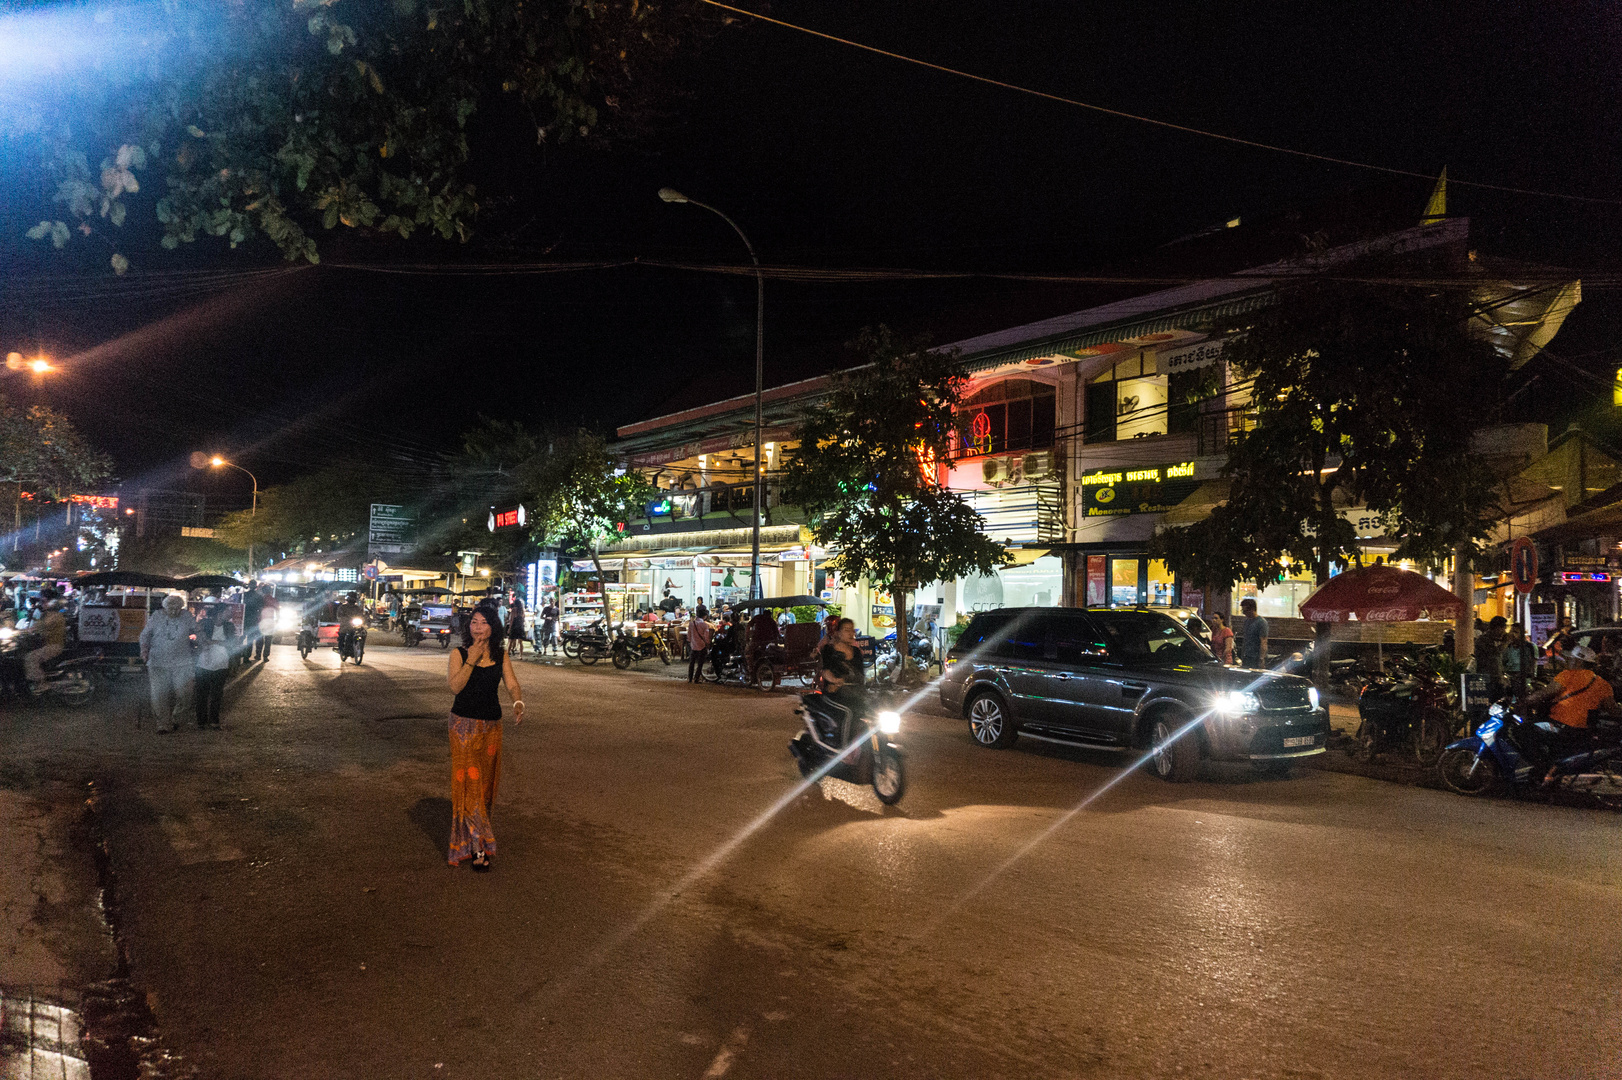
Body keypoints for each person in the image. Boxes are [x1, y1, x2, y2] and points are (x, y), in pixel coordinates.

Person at [445, 603, 525, 871]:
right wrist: (472, 658)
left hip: (491, 727)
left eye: (483, 623)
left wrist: (517, 702)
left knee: (485, 786)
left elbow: (511, 683)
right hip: (463, 726)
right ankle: (478, 846)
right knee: (470, 786)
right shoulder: (458, 653)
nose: (477, 627)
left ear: (493, 628)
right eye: (473, 622)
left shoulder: (501, 655)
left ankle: (474, 837)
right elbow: (455, 686)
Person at [140, 594, 196, 734]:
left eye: (177, 608)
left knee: (185, 693)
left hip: (183, 661)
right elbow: (145, 635)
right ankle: (162, 724)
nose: (174, 611)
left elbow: (197, 631)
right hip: (158, 661)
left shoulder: (187, 616)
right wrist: (144, 650)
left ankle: (177, 717)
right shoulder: (156, 616)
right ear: (164, 608)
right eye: (170, 608)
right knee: (159, 695)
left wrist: (203, 643)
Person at [1522, 643, 1614, 729]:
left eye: (1571, 659)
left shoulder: (1567, 675)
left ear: (1578, 662)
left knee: (1527, 729)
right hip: (1584, 730)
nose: (1568, 661)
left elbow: (1544, 693)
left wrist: (1524, 702)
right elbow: (1611, 709)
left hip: (1560, 724)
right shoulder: (1603, 684)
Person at [819, 618, 867, 745]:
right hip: (835, 695)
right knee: (849, 712)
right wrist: (835, 681)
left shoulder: (856, 652)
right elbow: (826, 671)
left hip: (855, 693)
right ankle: (845, 749)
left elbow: (861, 674)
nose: (851, 633)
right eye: (846, 630)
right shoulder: (829, 650)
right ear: (838, 633)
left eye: (852, 630)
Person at [23, 589, 67, 694]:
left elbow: (41, 626)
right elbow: (36, 626)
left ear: (52, 602)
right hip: (45, 643)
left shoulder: (55, 615)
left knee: (30, 658)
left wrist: (30, 630)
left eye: (44, 601)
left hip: (54, 646)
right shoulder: (47, 614)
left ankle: (42, 684)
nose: (42, 603)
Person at [193, 608, 231, 729]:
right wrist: (217, 642)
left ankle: (214, 720)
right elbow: (200, 640)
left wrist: (213, 642)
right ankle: (201, 721)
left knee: (217, 694)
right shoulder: (204, 624)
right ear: (219, 614)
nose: (230, 613)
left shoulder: (229, 626)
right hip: (203, 662)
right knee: (201, 694)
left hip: (221, 663)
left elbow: (232, 642)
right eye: (227, 611)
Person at [1478, 615, 1508, 696]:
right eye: (1503, 628)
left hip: (1499, 679)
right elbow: (1494, 653)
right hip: (1488, 679)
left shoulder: (1500, 640)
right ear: (1497, 628)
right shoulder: (1483, 640)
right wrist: (1506, 643)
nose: (1504, 631)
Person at [1503, 624, 1536, 699]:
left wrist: (1530, 677)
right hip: (1509, 677)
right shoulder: (1508, 646)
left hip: (1523, 678)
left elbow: (1532, 664)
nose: (1512, 634)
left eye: (1515, 632)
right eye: (1511, 632)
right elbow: (1503, 661)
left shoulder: (1529, 647)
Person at [1238, 598, 1269, 669]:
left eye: (1245, 611)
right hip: (1247, 656)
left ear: (1252, 609)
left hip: (1256, 657)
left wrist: (1261, 658)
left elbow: (1263, 641)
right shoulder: (1247, 621)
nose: (1244, 613)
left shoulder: (1261, 622)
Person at [688, 612, 714, 683]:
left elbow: (689, 635)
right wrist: (708, 643)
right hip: (702, 645)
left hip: (693, 646)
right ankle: (696, 678)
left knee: (692, 663)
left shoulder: (691, 624)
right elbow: (706, 636)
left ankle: (690, 678)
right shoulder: (704, 625)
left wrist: (691, 643)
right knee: (700, 663)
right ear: (704, 616)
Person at [507, 593, 526, 658]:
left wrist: (509, 628)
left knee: (511, 641)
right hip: (520, 626)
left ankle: (508, 653)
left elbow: (511, 619)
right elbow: (523, 618)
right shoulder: (522, 610)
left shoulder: (514, 609)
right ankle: (520, 655)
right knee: (520, 642)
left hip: (514, 626)